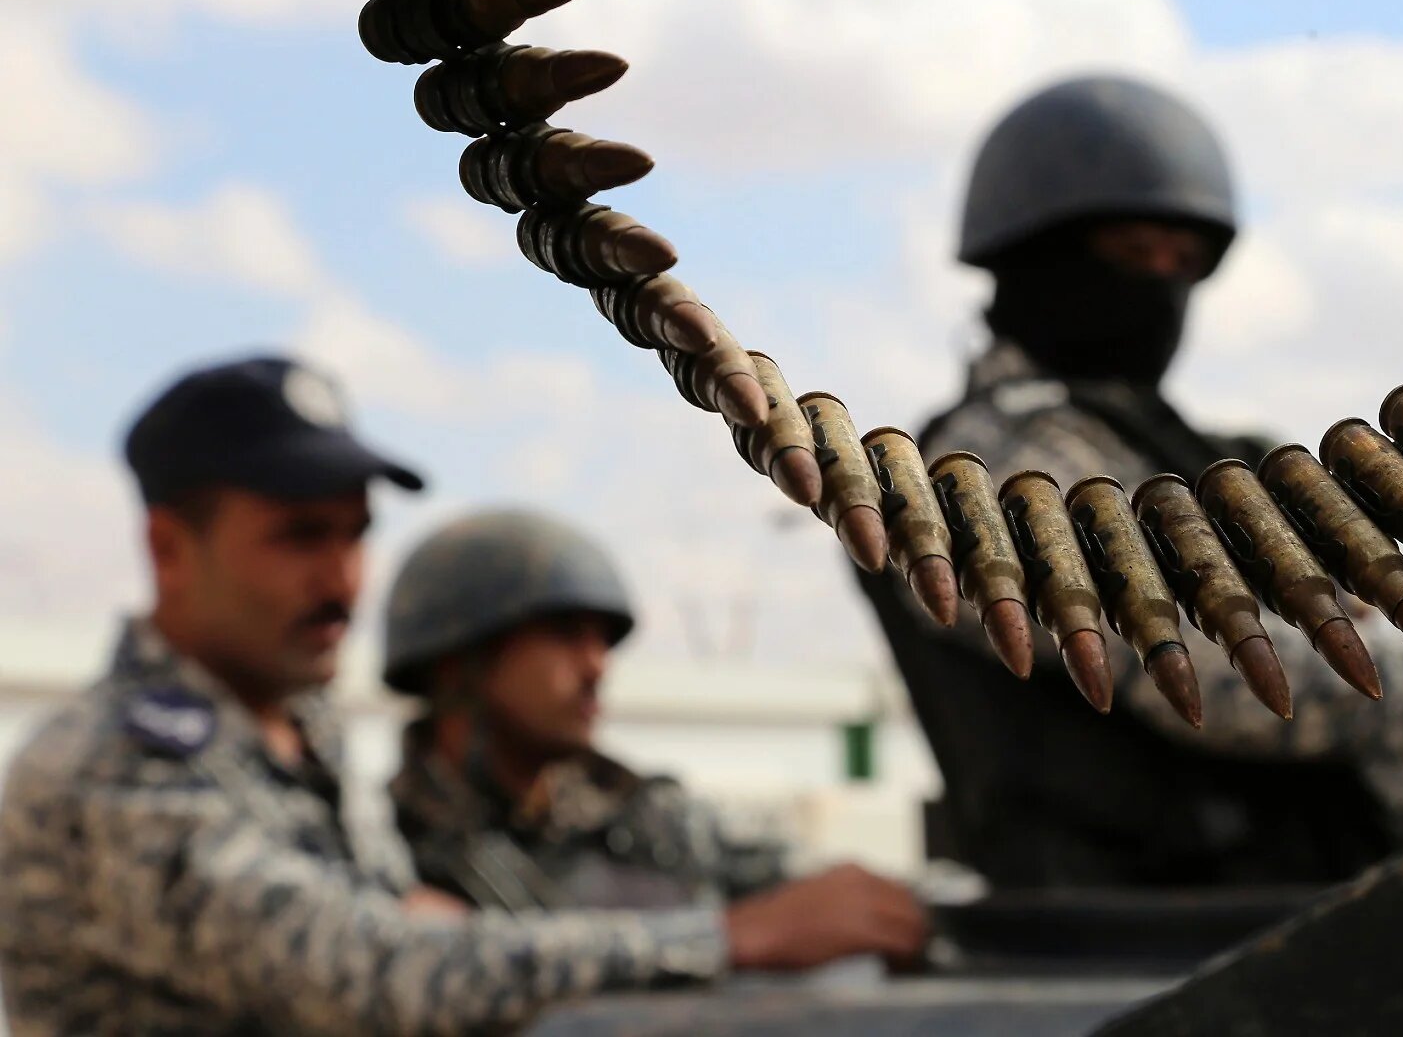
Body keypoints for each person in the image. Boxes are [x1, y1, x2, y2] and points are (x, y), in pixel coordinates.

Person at [858, 75, 1403, 890]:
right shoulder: (982, 468)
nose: (1158, 285)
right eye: (1127, 253)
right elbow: (1216, 679)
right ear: (1031, 258)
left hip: (1286, 905)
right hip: (1150, 935)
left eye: (1181, 261)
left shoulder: (1166, 451)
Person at [0, 355, 917, 1037]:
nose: (342, 578)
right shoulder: (112, 771)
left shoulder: (291, 735)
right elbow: (369, 970)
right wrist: (733, 937)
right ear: (169, 548)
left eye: (356, 536)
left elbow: (411, 928)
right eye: (299, 537)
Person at [381, 508, 926, 964]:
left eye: (602, 641)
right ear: (457, 666)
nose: (597, 666)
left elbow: (804, 887)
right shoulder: (382, 848)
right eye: (565, 635)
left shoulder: (643, 820)